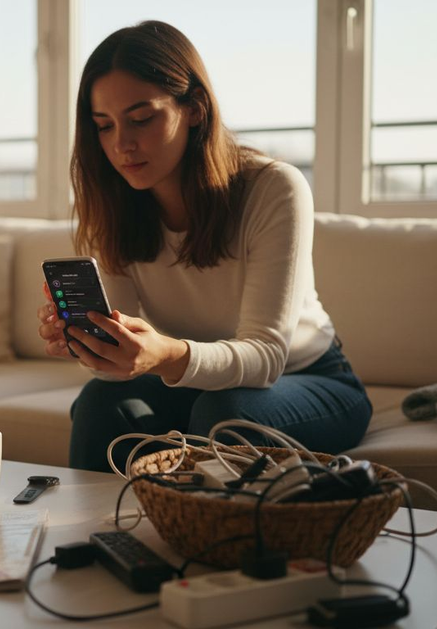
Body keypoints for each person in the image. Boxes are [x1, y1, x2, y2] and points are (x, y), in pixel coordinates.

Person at [36, 21, 372, 473]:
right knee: (102, 402)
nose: (121, 145)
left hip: (308, 379)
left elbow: (266, 358)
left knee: (222, 416)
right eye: (104, 126)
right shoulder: (113, 205)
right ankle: (95, 541)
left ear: (194, 107)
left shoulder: (273, 188)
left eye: (141, 119)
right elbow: (120, 365)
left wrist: (169, 355)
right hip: (194, 386)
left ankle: (205, 541)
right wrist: (91, 345)